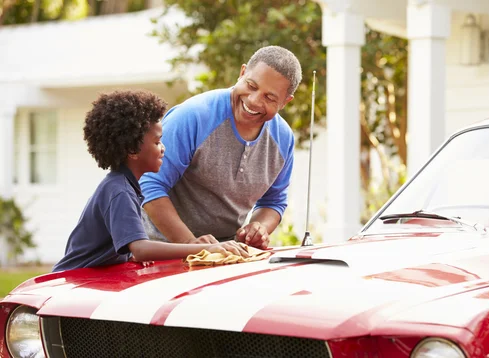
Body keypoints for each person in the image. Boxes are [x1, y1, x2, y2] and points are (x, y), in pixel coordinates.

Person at [52, 90, 248, 272]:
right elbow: (141, 249)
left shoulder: (124, 185)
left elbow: (126, 248)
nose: (163, 148)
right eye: (157, 142)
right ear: (132, 150)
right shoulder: (119, 190)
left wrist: (130, 256)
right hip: (69, 282)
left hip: (88, 280)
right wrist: (209, 248)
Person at [140, 45, 302, 250]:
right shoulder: (193, 116)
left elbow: (273, 202)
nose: (254, 100)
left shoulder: (283, 139)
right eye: (251, 86)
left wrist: (258, 227)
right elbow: (149, 186)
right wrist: (191, 244)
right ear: (242, 73)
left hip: (224, 256)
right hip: (158, 251)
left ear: (285, 102)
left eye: (269, 98)